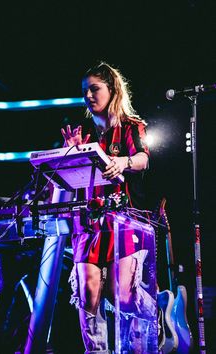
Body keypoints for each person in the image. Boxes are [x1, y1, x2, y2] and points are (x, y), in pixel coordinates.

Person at [60, 62, 157, 353]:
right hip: (89, 224)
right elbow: (69, 178)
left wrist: (124, 162)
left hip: (124, 220)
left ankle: (152, 320)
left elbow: (143, 158)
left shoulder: (130, 126)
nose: (88, 95)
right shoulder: (85, 133)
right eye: (84, 91)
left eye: (94, 88)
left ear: (112, 89)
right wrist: (70, 152)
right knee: (88, 292)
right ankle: (96, 350)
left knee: (122, 295)